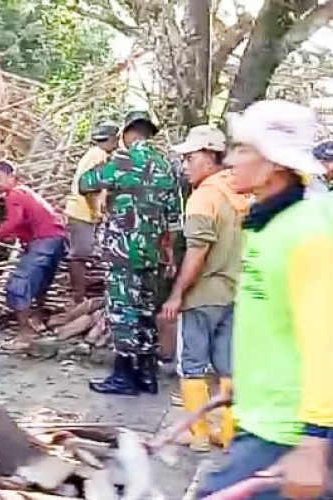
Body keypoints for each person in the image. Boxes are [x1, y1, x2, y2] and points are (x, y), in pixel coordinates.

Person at [198, 100, 333, 500]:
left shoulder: (310, 234)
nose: (229, 160)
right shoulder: (266, 223)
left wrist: (315, 439)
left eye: (242, 150)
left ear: (274, 164)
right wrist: (244, 383)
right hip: (263, 418)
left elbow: (325, 338)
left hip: (290, 432)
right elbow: (273, 319)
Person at [79, 110, 181, 396]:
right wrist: (168, 250)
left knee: (123, 312)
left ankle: (124, 376)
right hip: (152, 254)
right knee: (145, 312)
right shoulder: (165, 165)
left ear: (126, 133)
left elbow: (84, 183)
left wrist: (104, 199)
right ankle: (147, 376)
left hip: (122, 252)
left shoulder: (122, 160)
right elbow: (174, 217)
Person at [160, 125, 248, 452]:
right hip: (234, 293)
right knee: (228, 366)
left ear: (210, 157)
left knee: (192, 365)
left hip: (204, 296)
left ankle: (197, 435)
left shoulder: (204, 197)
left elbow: (198, 251)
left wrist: (177, 294)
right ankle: (228, 435)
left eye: (190, 158)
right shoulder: (240, 192)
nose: (185, 165)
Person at [0, 160, 67, 350]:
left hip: (45, 239)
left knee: (18, 285)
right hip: (56, 238)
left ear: (11, 177)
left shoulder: (14, 194)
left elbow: (15, 221)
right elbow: (25, 223)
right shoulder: (25, 192)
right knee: (40, 282)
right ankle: (37, 321)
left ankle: (24, 335)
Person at [65, 122, 119, 304]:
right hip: (82, 211)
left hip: (82, 210)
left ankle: (80, 294)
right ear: (111, 139)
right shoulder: (99, 156)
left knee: (83, 253)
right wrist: (97, 210)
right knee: (80, 254)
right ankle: (78, 297)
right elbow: (89, 188)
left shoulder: (96, 154)